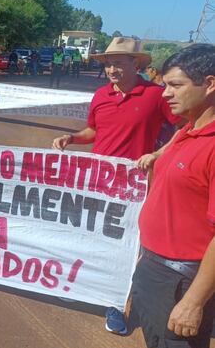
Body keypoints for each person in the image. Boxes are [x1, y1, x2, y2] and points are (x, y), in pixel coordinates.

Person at [51, 37, 183, 336]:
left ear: (136, 64)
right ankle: (86, 286)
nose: (112, 70)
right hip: (98, 182)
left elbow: (184, 128)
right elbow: (93, 131)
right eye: (109, 64)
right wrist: (71, 138)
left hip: (134, 187)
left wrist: (158, 154)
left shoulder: (156, 95)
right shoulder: (101, 95)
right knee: (90, 236)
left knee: (125, 245)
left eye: (118, 63)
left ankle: (115, 302)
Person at [130, 44, 215, 348]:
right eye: (165, 85)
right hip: (154, 268)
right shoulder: (187, 130)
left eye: (176, 85)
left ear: (210, 84)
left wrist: (193, 302)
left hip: (182, 281)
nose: (165, 94)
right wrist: (155, 156)